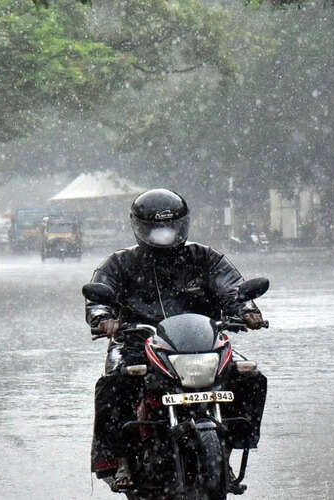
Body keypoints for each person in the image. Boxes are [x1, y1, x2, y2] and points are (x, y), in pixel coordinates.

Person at [85, 188, 268, 489]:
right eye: (157, 228)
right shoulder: (120, 264)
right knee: (114, 384)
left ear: (182, 224)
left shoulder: (205, 258)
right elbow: (98, 295)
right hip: (136, 344)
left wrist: (247, 310)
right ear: (140, 227)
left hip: (201, 346)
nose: (164, 234)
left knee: (250, 377)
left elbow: (233, 289)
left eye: (170, 226)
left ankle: (228, 449)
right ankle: (118, 459)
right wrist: (104, 319)